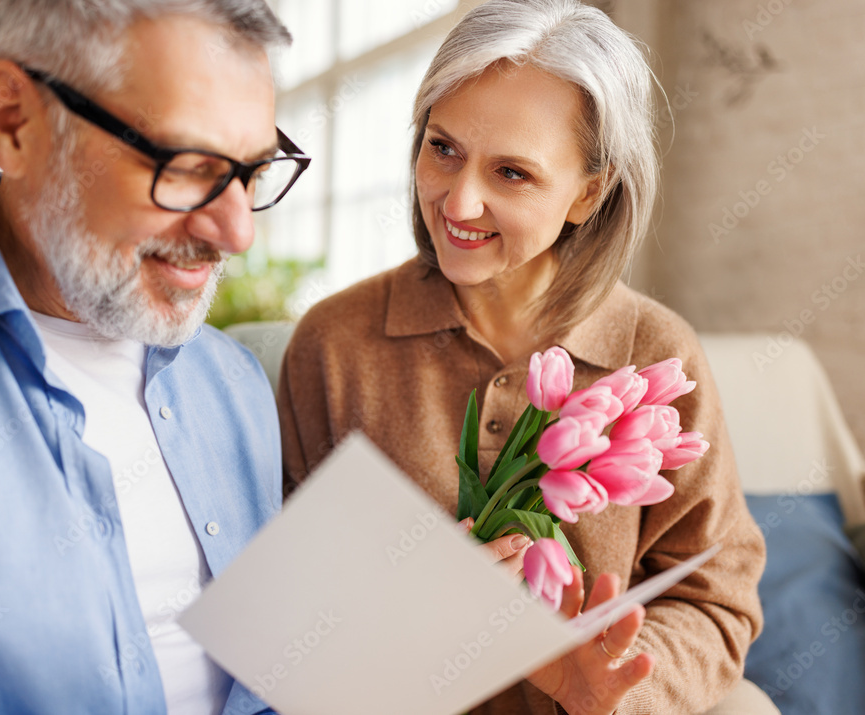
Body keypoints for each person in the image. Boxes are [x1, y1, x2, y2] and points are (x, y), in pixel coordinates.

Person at [278, 0, 774, 713]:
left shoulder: (656, 353)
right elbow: (290, 594)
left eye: (512, 173)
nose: (459, 201)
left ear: (588, 194)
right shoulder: (335, 344)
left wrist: (617, 686)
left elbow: (713, 592)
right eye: (442, 147)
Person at [0, 1, 308, 713]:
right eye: (187, 166)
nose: (236, 232)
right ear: (14, 123)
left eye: (252, 172)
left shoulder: (232, 383)